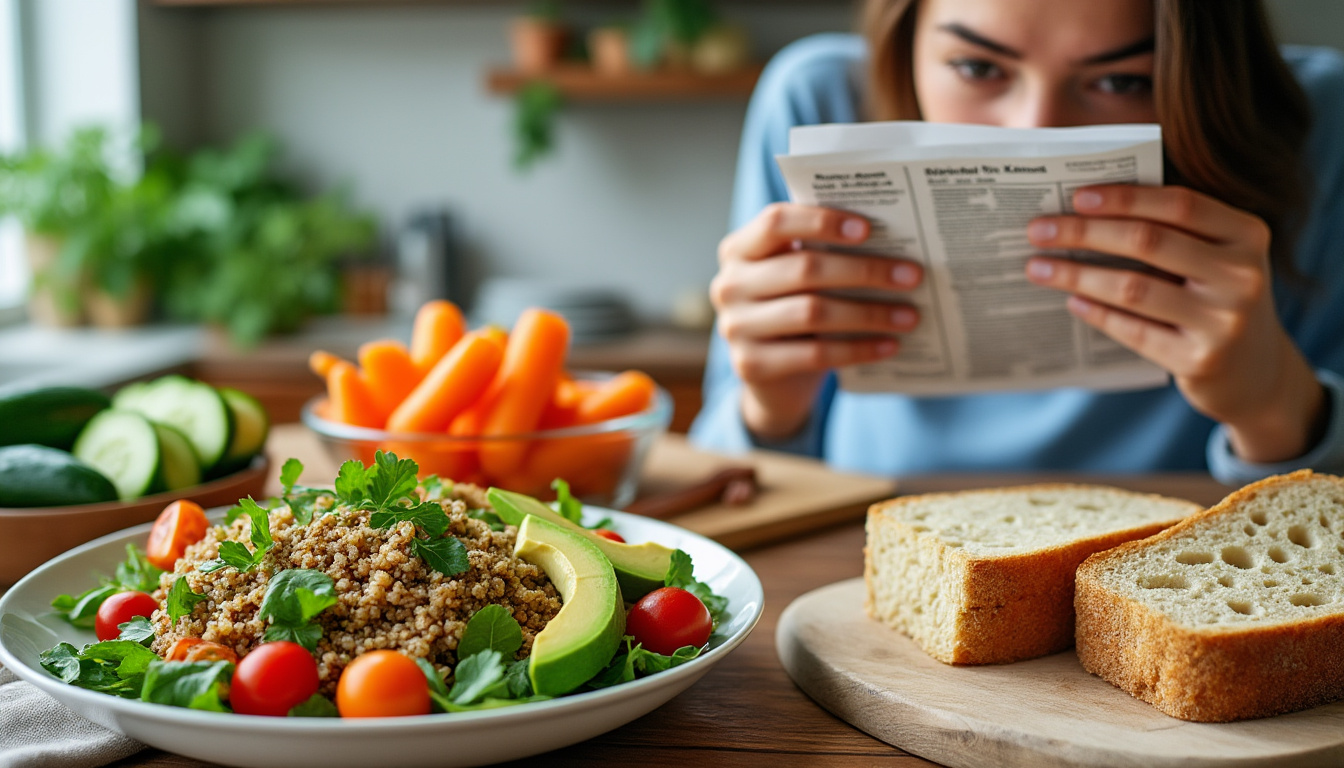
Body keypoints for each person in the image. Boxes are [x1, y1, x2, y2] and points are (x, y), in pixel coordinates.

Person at [689, 0, 1344, 484]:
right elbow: (723, 480)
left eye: (1120, 82)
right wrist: (769, 408)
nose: (1033, 130)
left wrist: (1276, 406)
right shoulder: (821, 98)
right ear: (905, 36)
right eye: (977, 66)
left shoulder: (1320, 124)